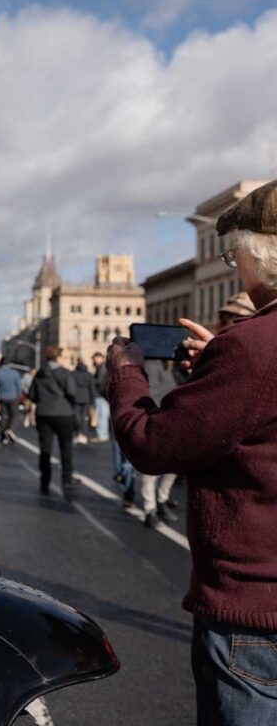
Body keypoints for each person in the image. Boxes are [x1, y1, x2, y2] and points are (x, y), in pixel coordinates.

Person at [107, 180, 277, 725]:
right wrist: (222, 363)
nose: (235, 271)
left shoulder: (254, 346)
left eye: (235, 256)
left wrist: (126, 374)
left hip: (257, 615)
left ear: (262, 255)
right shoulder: (248, 348)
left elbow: (154, 444)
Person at [29, 346, 79, 492]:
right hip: (64, 413)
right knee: (66, 448)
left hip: (44, 414)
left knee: (45, 449)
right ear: (58, 357)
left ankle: (45, 481)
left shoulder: (39, 374)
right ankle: (66, 478)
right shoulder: (65, 373)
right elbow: (71, 392)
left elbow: (32, 395)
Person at [140, 360, 179, 529]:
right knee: (150, 472)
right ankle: (150, 510)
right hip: (156, 422)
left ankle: (162, 499)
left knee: (174, 467)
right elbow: (151, 394)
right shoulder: (152, 364)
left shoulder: (168, 366)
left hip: (172, 422)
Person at [0, 357, 24, 444]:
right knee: (14, 415)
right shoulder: (15, 373)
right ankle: (10, 429)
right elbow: (19, 386)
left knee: (3, 416)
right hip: (13, 397)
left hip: (2, 397)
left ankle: (3, 436)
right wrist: (19, 396)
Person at [72, 359, 96, 444]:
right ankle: (84, 435)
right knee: (84, 417)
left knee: (77, 417)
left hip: (76, 397)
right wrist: (93, 402)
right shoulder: (89, 375)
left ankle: (78, 433)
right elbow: (92, 389)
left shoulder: (73, 374)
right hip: (86, 398)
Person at [91, 353, 110, 442]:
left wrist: (91, 380)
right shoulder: (103, 366)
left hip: (101, 394)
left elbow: (100, 381)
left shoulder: (102, 367)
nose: (94, 361)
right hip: (102, 394)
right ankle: (103, 434)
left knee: (102, 415)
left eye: (95, 358)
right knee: (103, 414)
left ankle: (102, 435)